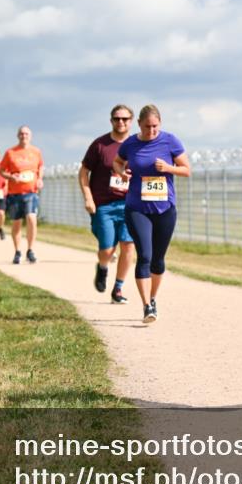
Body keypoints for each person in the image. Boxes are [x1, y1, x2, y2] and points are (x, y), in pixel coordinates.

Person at [111, 104, 190, 322]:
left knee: (158, 259)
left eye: (155, 126)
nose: (152, 131)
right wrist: (122, 173)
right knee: (144, 255)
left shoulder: (170, 141)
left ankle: (153, 298)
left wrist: (168, 168)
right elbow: (117, 162)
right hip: (137, 208)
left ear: (160, 124)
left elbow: (186, 170)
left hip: (165, 209)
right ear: (139, 124)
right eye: (147, 127)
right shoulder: (131, 143)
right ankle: (147, 306)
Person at [79, 105, 136, 304]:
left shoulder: (137, 145)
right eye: (117, 119)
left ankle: (118, 289)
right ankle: (103, 267)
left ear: (132, 121)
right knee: (107, 249)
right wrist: (88, 197)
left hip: (130, 205)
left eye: (125, 119)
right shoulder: (100, 145)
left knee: (128, 246)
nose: (121, 122)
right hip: (104, 205)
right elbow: (84, 171)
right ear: (111, 120)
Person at [0, 125, 44, 264]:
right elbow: (1, 171)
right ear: (18, 135)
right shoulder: (10, 152)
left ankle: (30, 250)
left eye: (26, 134)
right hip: (14, 193)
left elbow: (41, 166)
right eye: (21, 133)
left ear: (30, 136)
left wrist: (40, 179)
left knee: (31, 218)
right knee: (17, 223)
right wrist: (11, 177)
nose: (24, 136)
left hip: (31, 192)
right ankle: (18, 251)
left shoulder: (36, 151)